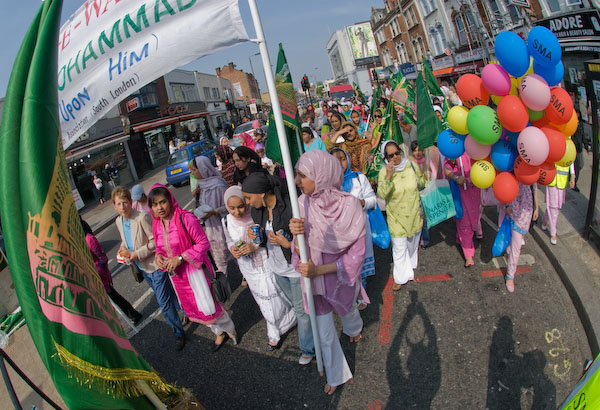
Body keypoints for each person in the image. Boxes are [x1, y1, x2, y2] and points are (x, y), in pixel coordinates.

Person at [289, 150, 366, 395]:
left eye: (302, 175)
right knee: (323, 331)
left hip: (338, 275)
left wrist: (319, 270)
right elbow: (299, 251)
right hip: (313, 280)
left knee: (348, 307)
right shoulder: (301, 204)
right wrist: (295, 234)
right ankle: (336, 374)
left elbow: (357, 254)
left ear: (320, 174)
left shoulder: (350, 204)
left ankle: (354, 330)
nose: (297, 181)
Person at [149, 184, 237, 351]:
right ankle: (219, 331)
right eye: (154, 204)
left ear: (170, 201)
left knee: (209, 306)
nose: (159, 207)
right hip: (177, 276)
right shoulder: (157, 225)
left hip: (195, 272)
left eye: (162, 202)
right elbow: (160, 247)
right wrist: (158, 256)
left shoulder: (185, 218)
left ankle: (229, 329)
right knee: (198, 309)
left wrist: (181, 258)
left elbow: (203, 243)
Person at [241, 172, 315, 365]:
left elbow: (305, 240)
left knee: (301, 310)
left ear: (262, 193)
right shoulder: (259, 211)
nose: (248, 202)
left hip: (294, 268)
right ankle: (312, 323)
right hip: (276, 268)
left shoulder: (291, 208)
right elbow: (263, 241)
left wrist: (286, 243)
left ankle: (309, 349)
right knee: (297, 305)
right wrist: (255, 236)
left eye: (249, 197)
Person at [222, 186, 297, 350]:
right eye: (232, 208)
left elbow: (267, 240)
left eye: (241, 206)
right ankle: (279, 327)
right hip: (248, 269)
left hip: (265, 264)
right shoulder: (226, 220)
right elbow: (228, 240)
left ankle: (277, 330)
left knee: (275, 296)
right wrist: (232, 249)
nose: (237, 212)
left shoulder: (257, 215)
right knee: (263, 302)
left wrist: (254, 246)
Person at [112, 187, 186, 350]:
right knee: (170, 297)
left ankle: (178, 333)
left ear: (131, 202)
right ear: (114, 206)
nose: (123, 206)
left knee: (164, 303)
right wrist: (122, 249)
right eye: (119, 203)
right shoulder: (119, 221)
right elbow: (126, 241)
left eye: (125, 202)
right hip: (143, 269)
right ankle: (188, 312)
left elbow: (155, 242)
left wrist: (137, 253)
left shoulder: (141, 217)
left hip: (155, 266)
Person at [330, 148, 376, 309]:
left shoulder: (359, 178)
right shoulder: (328, 184)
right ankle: (352, 293)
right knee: (346, 264)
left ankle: (360, 294)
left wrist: (362, 203)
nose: (340, 163)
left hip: (360, 230)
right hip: (340, 234)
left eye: (342, 159)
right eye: (335, 160)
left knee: (358, 262)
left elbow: (373, 200)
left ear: (348, 160)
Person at [378, 141, 424, 291]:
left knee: (412, 244)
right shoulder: (384, 172)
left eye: (397, 153)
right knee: (399, 247)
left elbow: (421, 184)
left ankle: (409, 270)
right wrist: (389, 176)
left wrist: (426, 175)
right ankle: (400, 277)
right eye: (390, 155)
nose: (395, 158)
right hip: (396, 217)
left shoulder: (411, 165)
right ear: (385, 157)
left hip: (414, 213)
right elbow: (382, 194)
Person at [80, 216, 142, 325]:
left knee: (113, 298)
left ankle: (132, 314)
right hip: (92, 277)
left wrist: (97, 273)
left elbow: (103, 258)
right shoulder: (79, 242)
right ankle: (130, 315)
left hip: (100, 276)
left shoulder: (89, 239)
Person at [191, 156, 231, 273]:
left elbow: (231, 206)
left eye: (194, 170)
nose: (193, 173)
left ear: (202, 169)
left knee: (238, 256)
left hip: (225, 227)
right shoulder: (201, 186)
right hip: (211, 230)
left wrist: (215, 211)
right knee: (220, 264)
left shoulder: (219, 185)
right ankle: (223, 290)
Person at [444, 152, 482, 267]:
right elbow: (447, 168)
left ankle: (461, 238)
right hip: (461, 191)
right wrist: (456, 178)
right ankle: (468, 255)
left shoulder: (475, 146)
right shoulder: (455, 148)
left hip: (475, 189)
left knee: (473, 216)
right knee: (465, 221)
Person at [504, 183, 539, 293]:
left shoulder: (532, 177)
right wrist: (507, 206)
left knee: (515, 244)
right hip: (515, 212)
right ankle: (510, 276)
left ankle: (508, 249)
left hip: (527, 213)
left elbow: (535, 190)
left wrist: (537, 208)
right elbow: (505, 187)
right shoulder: (514, 173)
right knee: (516, 248)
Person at [410, 141, 438, 248]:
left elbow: (434, 172)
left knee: (425, 217)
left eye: (419, 150)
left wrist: (430, 178)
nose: (417, 152)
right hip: (415, 193)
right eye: (415, 150)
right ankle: (417, 237)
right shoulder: (411, 163)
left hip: (426, 192)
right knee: (417, 216)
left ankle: (425, 237)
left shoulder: (427, 161)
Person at [541, 163, 575, 245]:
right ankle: (553, 233)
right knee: (554, 207)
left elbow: (570, 158)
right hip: (552, 180)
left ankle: (545, 221)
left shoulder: (568, 149)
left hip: (562, 182)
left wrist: (572, 175)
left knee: (554, 206)